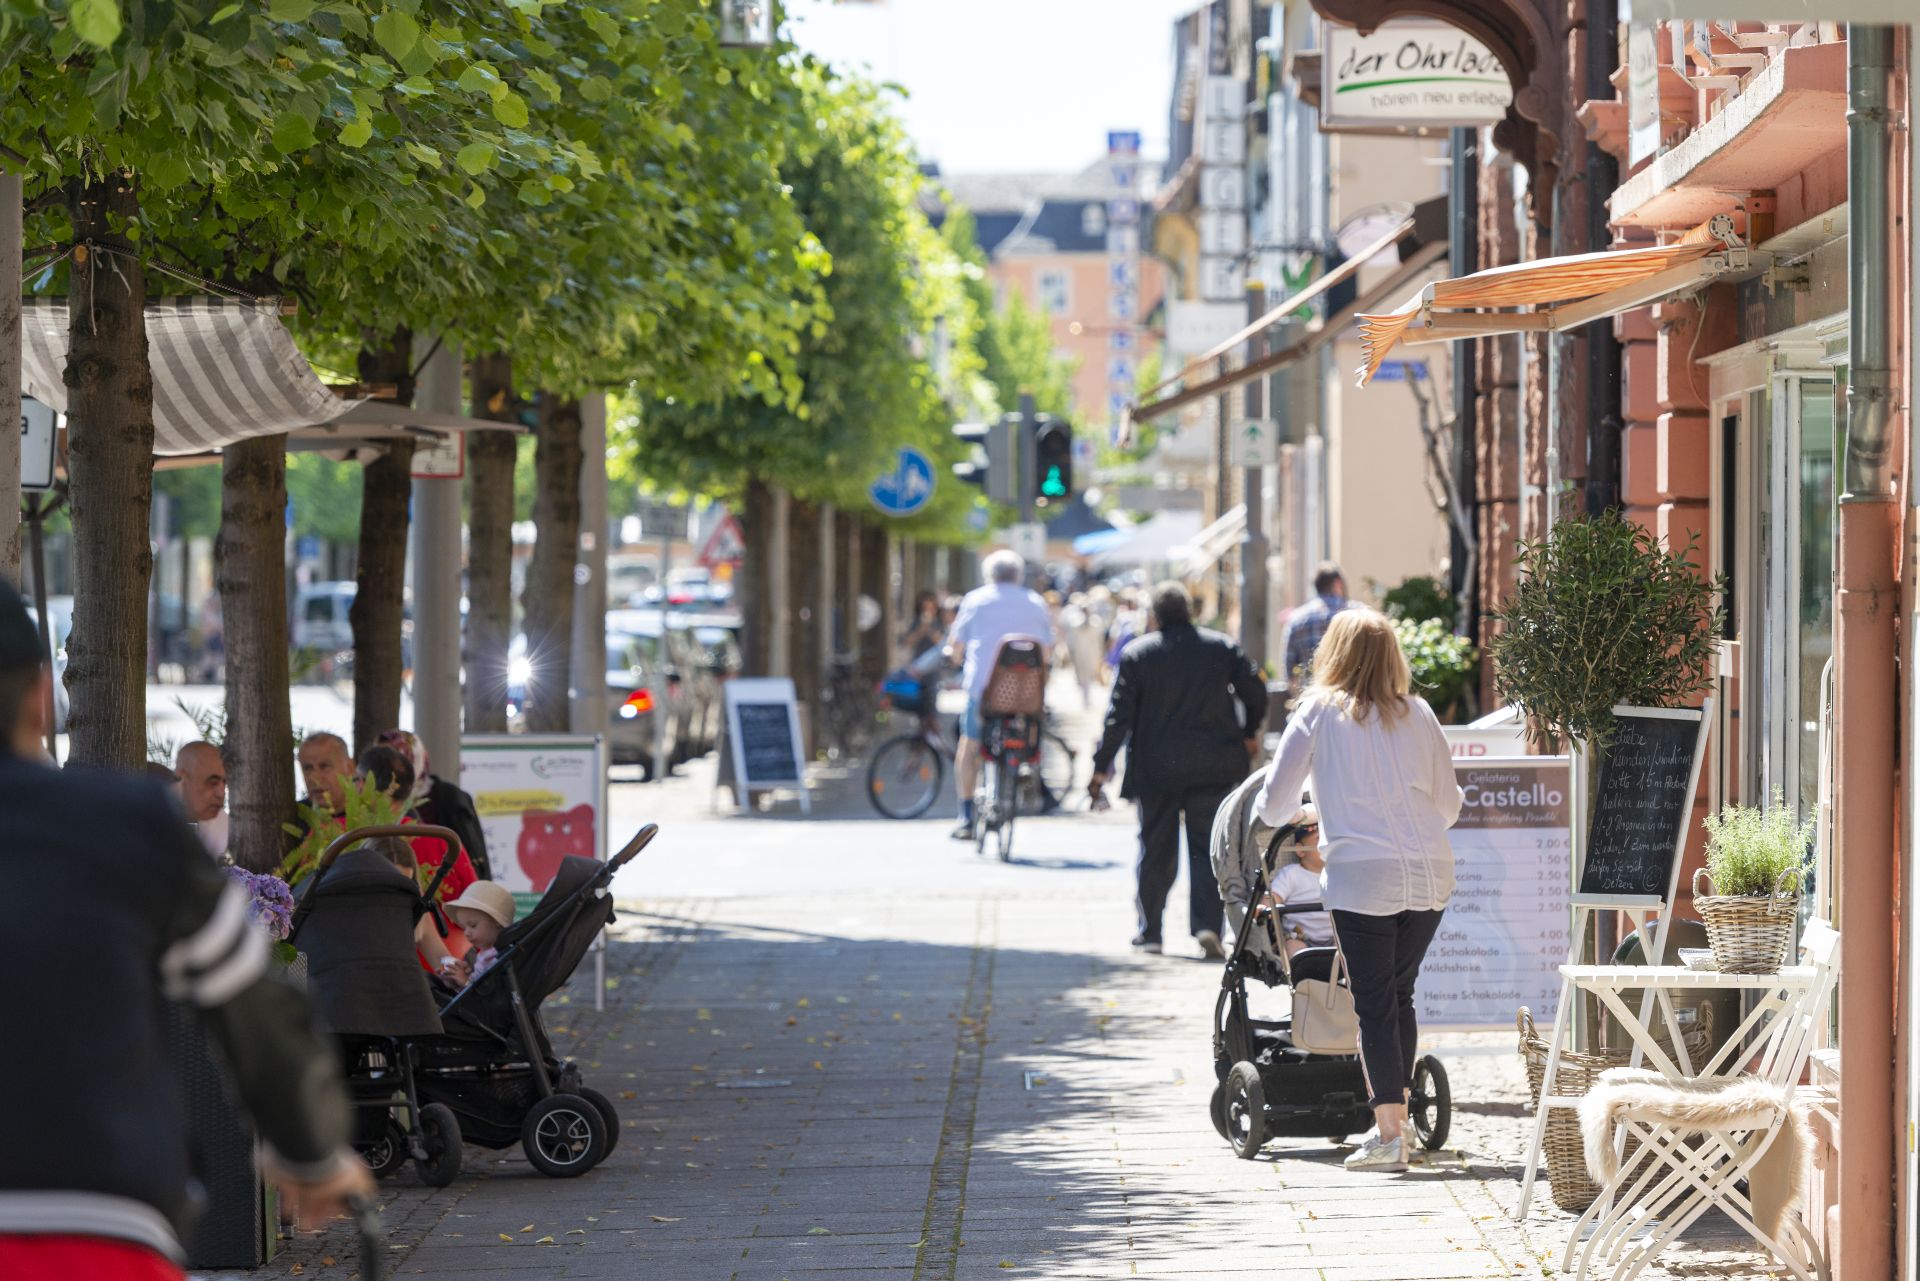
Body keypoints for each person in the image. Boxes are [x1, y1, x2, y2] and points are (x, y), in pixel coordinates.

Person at [0, 579, 371, 1279]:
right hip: (100, 1225)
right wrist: (309, 1147)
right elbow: (252, 1001)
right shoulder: (130, 824)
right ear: (42, 695)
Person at [1253, 609, 1463, 1173]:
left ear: (1334, 654)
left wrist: (1313, 810)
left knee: (1372, 1002)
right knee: (1400, 994)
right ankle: (1399, 1128)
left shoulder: (1319, 712)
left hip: (1361, 878)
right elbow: (1449, 806)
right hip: (1429, 873)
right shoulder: (1418, 712)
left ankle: (1390, 1136)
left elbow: (1273, 805)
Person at [1089, 581, 1267, 958]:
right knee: (1207, 849)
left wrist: (1101, 767)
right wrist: (1249, 732)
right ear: (1190, 611)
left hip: (1157, 769)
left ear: (1154, 616)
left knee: (1155, 849)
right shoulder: (1220, 648)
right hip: (1213, 766)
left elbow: (1117, 716)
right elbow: (1255, 690)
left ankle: (1151, 931)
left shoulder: (1139, 654)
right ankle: (1206, 925)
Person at [943, 550, 1055, 841]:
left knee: (969, 744)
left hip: (985, 692)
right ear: (1018, 576)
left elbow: (956, 644)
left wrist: (955, 658)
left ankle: (966, 815)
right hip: (1027, 696)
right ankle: (1029, 767)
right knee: (1030, 728)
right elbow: (1048, 651)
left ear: (989, 575)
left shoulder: (976, 601)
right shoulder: (1035, 602)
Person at [376, 729, 492, 881]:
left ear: (413, 758)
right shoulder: (369, 803)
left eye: (394, 759)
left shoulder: (450, 798)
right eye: (379, 760)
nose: (385, 770)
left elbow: (473, 853)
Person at [1257, 805, 1334, 957]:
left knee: (1347, 946)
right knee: (1293, 948)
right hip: (1299, 936)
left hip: (1334, 937)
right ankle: (1300, 975)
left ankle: (1344, 976)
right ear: (1300, 850)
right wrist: (1264, 906)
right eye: (1319, 840)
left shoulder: (1337, 873)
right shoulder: (1291, 874)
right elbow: (1274, 896)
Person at [1280, 562, 1353, 695]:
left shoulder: (1296, 620)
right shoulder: (1357, 615)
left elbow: (1289, 674)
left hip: (1311, 701)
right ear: (1338, 584)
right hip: (1353, 704)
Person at [445, 881, 516, 984]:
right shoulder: (486, 953)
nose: (466, 933)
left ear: (496, 922)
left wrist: (465, 982)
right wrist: (465, 977)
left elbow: (489, 993)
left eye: (473, 925)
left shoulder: (498, 956)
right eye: (464, 927)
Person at [173, 740, 228, 857]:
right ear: (184, 777)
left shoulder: (222, 824)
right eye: (212, 783)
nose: (221, 793)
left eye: (224, 783)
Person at [297, 731, 353, 814]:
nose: (315, 777)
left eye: (324, 766)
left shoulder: (371, 816)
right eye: (307, 768)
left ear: (349, 768)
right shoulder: (292, 817)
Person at [900, 591, 944, 663]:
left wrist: (929, 628)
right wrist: (921, 629)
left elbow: (942, 642)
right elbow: (908, 642)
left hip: (937, 664)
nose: (928, 612)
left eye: (931, 608)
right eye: (925, 609)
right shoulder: (917, 621)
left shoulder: (940, 621)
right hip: (918, 662)